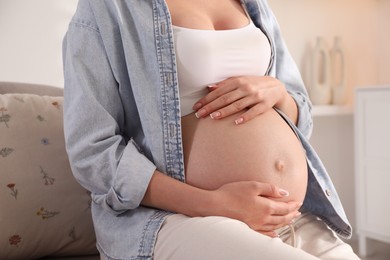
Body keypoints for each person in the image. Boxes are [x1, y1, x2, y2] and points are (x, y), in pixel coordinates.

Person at [62, 0, 360, 259]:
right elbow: (93, 152)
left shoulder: (253, 4)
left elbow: (301, 114)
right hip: (179, 218)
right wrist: (213, 203)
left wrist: (278, 92)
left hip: (288, 214)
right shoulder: (109, 6)